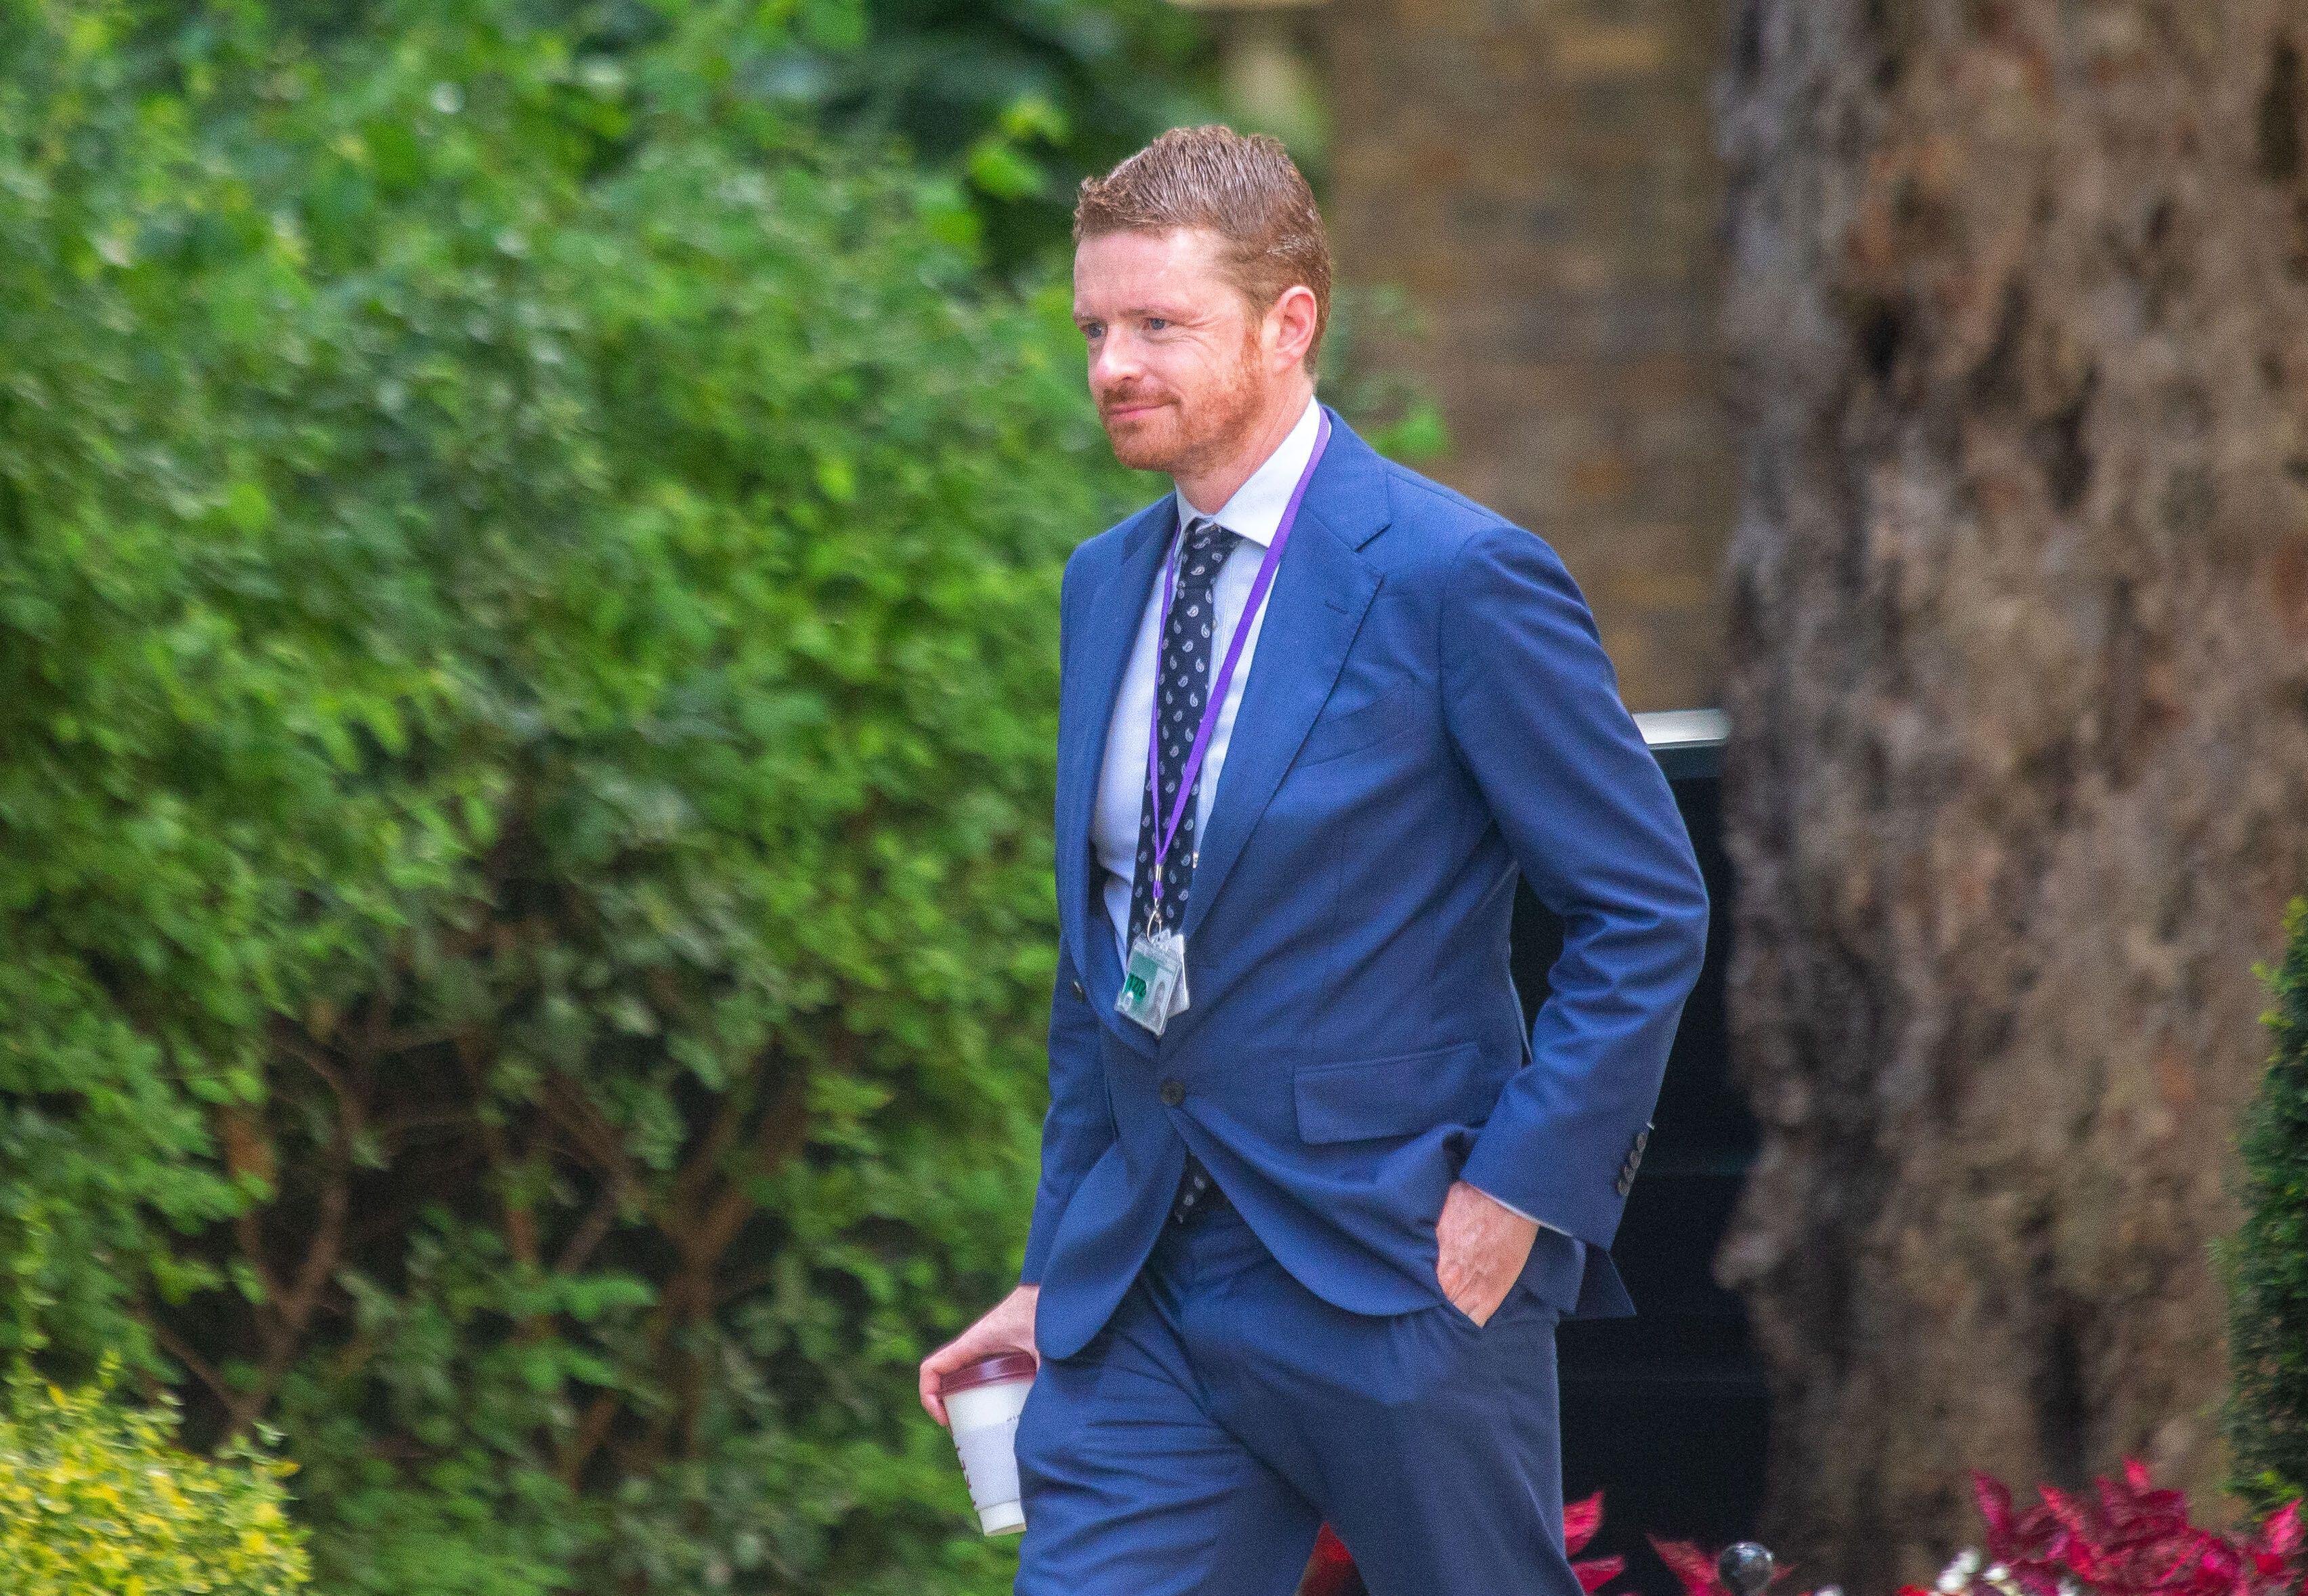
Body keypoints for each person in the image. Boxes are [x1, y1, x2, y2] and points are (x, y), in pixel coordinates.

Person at [917, 124, 1712, 1596]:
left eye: (1160, 325)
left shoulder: (1456, 578)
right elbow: (1107, 966)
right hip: (1146, 1291)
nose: (1111, 365)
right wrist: (1056, 1258)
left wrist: (1517, 1195)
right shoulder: (1105, 583)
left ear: (1292, 325)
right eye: (1095, 327)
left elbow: (1644, 904)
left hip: (1396, 1273)